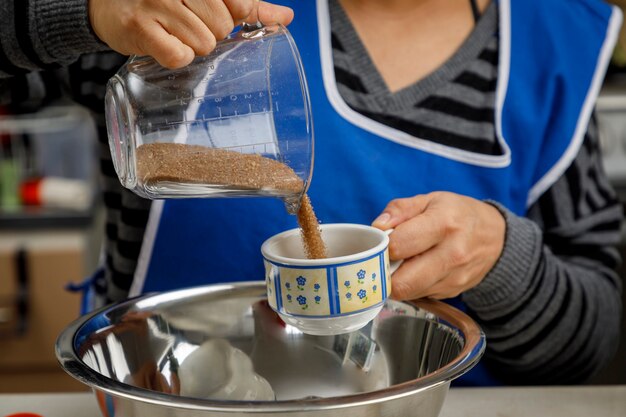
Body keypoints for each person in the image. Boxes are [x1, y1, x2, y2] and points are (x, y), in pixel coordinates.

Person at [0, 0, 623, 386]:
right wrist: (81, 13)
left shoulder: (557, 40)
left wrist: (504, 260)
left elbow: (587, 345)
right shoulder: (190, 14)